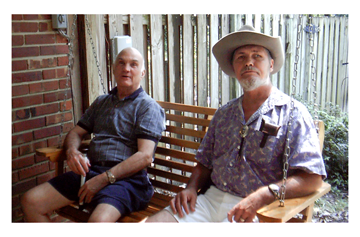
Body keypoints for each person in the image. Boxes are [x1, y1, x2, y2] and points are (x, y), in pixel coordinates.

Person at [145, 25, 326, 223]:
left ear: (271, 64)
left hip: (258, 209)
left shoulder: (292, 113)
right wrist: (190, 188)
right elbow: (204, 162)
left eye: (257, 56)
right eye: (241, 57)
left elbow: (312, 178)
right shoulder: (224, 114)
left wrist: (262, 195)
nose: (249, 62)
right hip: (209, 201)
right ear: (234, 68)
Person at [21, 47, 166, 222]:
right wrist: (72, 152)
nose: (126, 68)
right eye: (121, 63)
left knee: (97, 223)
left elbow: (144, 156)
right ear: (114, 68)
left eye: (133, 65)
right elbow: (76, 132)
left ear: (142, 73)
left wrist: (104, 179)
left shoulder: (147, 107)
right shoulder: (101, 102)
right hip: (91, 171)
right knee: (31, 202)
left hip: (128, 181)